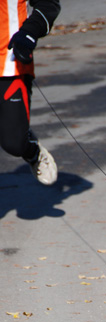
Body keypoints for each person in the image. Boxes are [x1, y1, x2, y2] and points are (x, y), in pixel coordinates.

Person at [0, 0, 61, 185]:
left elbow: (48, 5)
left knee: (14, 143)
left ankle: (31, 149)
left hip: (10, 64)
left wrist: (29, 32)